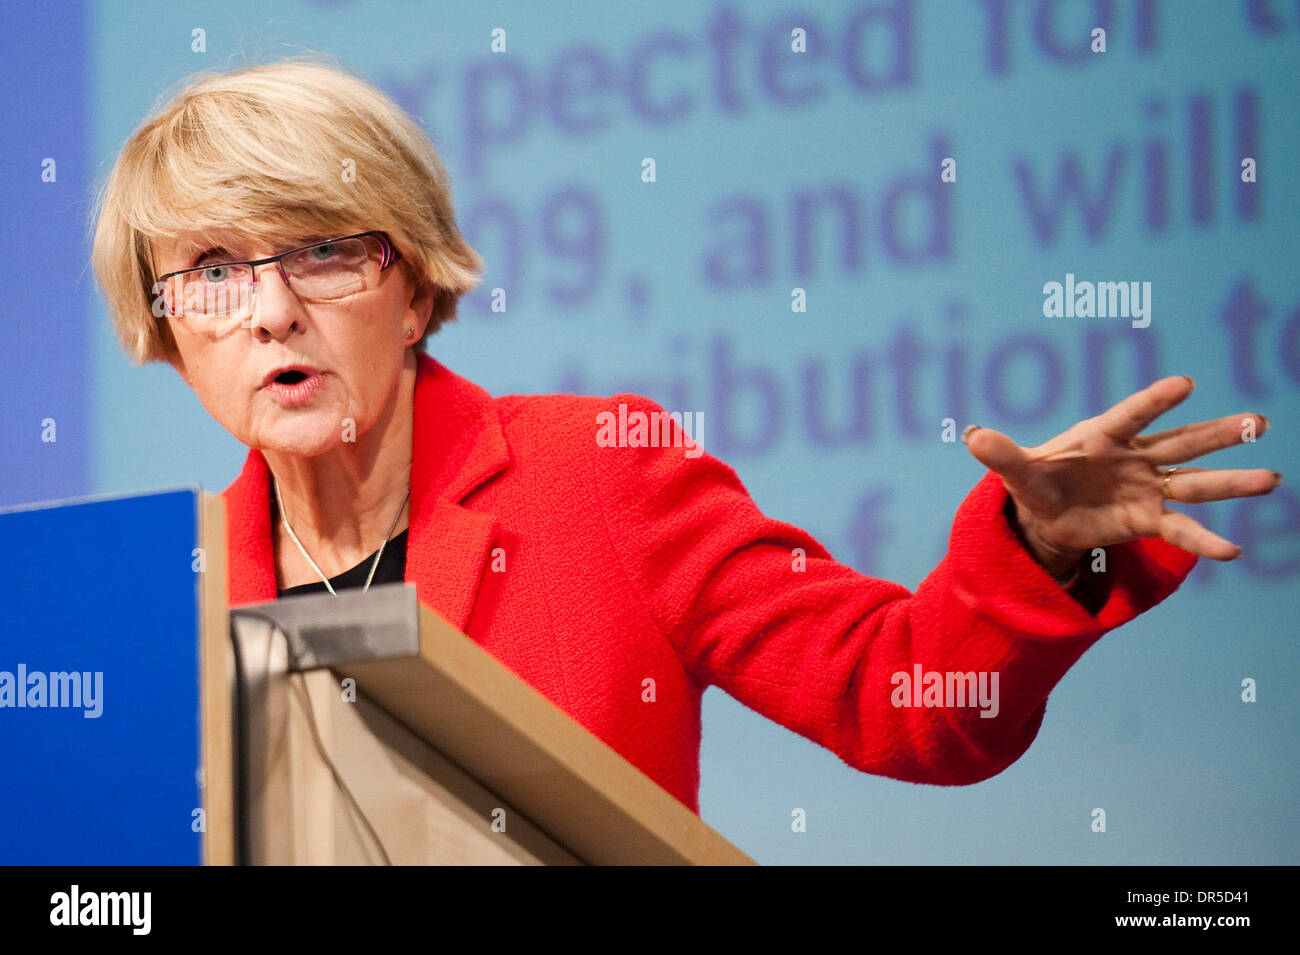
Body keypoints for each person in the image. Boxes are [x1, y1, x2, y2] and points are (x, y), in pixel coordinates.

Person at [90, 57, 1281, 816]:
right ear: (167, 328)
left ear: (415, 289)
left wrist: (1031, 545)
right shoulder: (157, 591)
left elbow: (905, 700)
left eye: (321, 250)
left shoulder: (594, 474)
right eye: (208, 272)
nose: (269, 309)